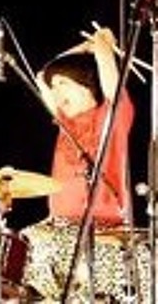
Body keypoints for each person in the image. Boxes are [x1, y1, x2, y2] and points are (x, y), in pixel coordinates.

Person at [20, 25, 150, 302]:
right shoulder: (64, 122)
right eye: (54, 88)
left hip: (103, 231)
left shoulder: (112, 117)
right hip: (59, 229)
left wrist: (100, 46)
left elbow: (104, 51)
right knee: (28, 245)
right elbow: (41, 76)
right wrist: (80, 50)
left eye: (63, 84)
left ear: (86, 85)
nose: (55, 93)